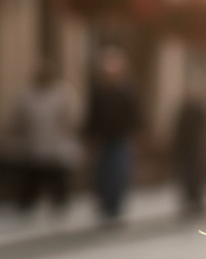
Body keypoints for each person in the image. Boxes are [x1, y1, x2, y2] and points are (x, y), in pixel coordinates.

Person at [11, 60, 82, 211]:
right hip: (35, 143)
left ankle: (60, 203)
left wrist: (67, 131)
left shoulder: (62, 92)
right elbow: (20, 116)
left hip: (56, 143)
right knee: (33, 176)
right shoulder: (28, 92)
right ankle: (26, 204)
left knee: (56, 177)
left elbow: (72, 116)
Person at [85, 45, 141, 220]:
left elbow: (135, 115)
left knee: (118, 172)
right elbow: (92, 115)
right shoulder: (99, 92)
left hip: (120, 138)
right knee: (103, 172)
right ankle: (105, 203)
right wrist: (90, 136)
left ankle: (114, 205)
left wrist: (136, 135)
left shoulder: (126, 92)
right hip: (103, 138)